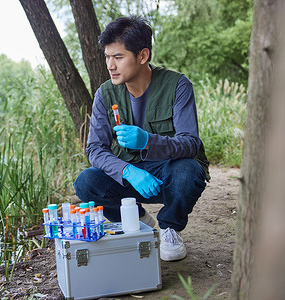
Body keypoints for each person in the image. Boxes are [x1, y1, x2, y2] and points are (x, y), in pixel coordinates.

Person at [73, 16, 210, 262]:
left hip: (167, 171)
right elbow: (94, 149)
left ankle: (169, 229)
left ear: (143, 55)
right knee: (86, 182)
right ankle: (137, 219)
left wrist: (148, 141)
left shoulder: (178, 85)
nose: (110, 65)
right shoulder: (105, 93)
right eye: (107, 57)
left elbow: (191, 143)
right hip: (130, 174)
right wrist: (128, 171)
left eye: (118, 57)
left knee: (189, 170)